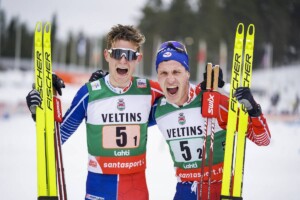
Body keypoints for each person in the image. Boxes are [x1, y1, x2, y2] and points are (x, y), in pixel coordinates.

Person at [26, 24, 164, 200]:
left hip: (135, 192)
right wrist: (40, 113)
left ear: (138, 58)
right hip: (98, 192)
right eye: (117, 53)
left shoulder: (149, 90)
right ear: (107, 55)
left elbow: (180, 98)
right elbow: (57, 138)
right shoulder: (89, 93)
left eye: (129, 55)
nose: (123, 60)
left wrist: (206, 94)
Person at [148, 41, 271, 200]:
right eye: (163, 73)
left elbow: (263, 140)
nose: (170, 79)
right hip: (184, 191)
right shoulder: (158, 109)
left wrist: (253, 110)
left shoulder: (214, 102)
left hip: (219, 187)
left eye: (176, 72)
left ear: (187, 73)